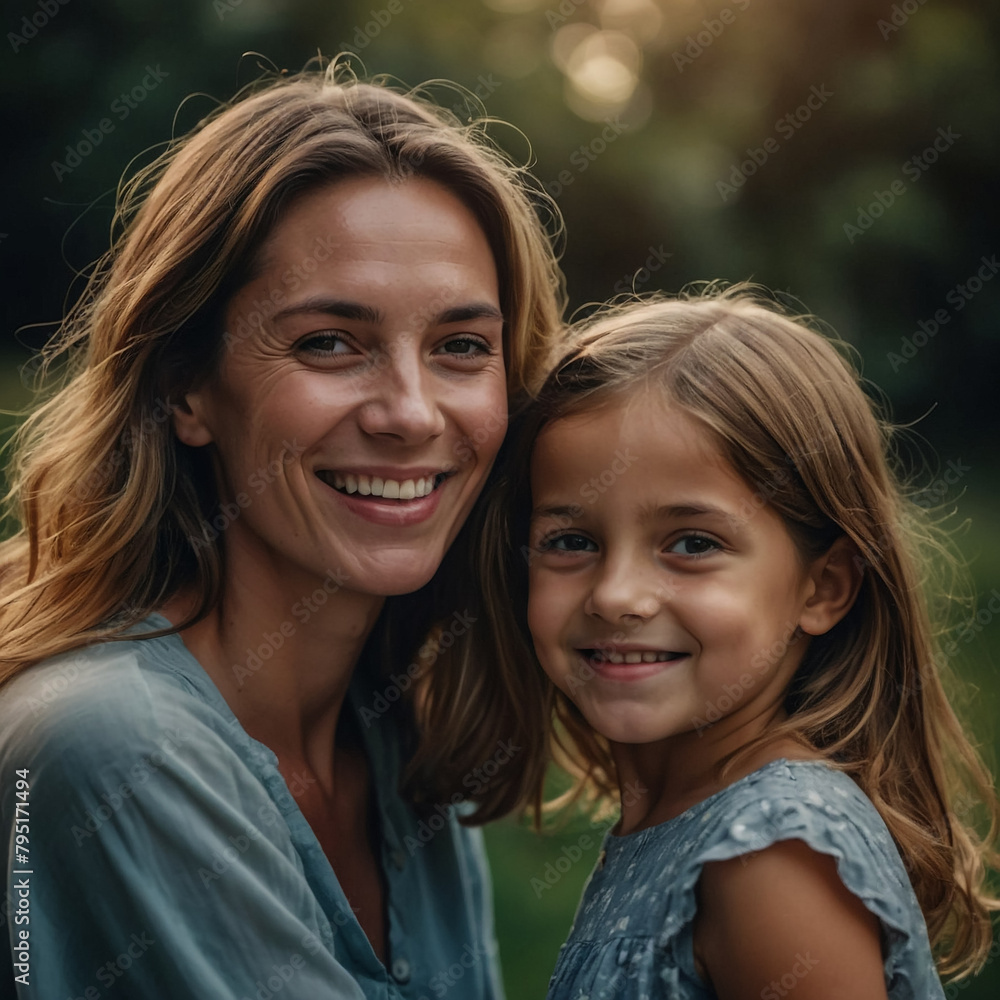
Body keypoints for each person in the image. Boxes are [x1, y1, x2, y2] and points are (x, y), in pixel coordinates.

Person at [0, 60, 565, 998]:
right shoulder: (117, 746)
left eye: (462, 347)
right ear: (185, 388)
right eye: (329, 344)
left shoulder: (400, 749)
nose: (413, 413)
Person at [468, 286, 1000, 998]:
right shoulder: (691, 816)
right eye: (570, 540)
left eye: (692, 543)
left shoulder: (769, 852)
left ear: (824, 588)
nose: (617, 595)